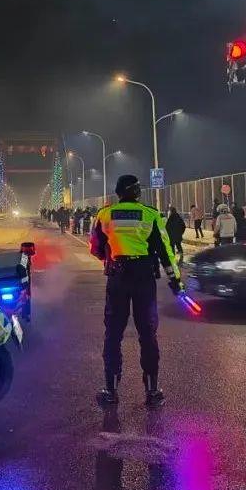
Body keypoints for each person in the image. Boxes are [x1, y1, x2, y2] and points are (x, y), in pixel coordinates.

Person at [89, 174, 181, 408]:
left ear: (118, 193)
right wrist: (175, 280)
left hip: (117, 279)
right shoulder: (150, 214)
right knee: (147, 334)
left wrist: (110, 257)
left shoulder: (105, 214)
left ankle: (111, 391)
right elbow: (165, 250)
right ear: (138, 193)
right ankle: (152, 392)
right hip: (144, 279)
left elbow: (95, 247)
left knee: (113, 334)